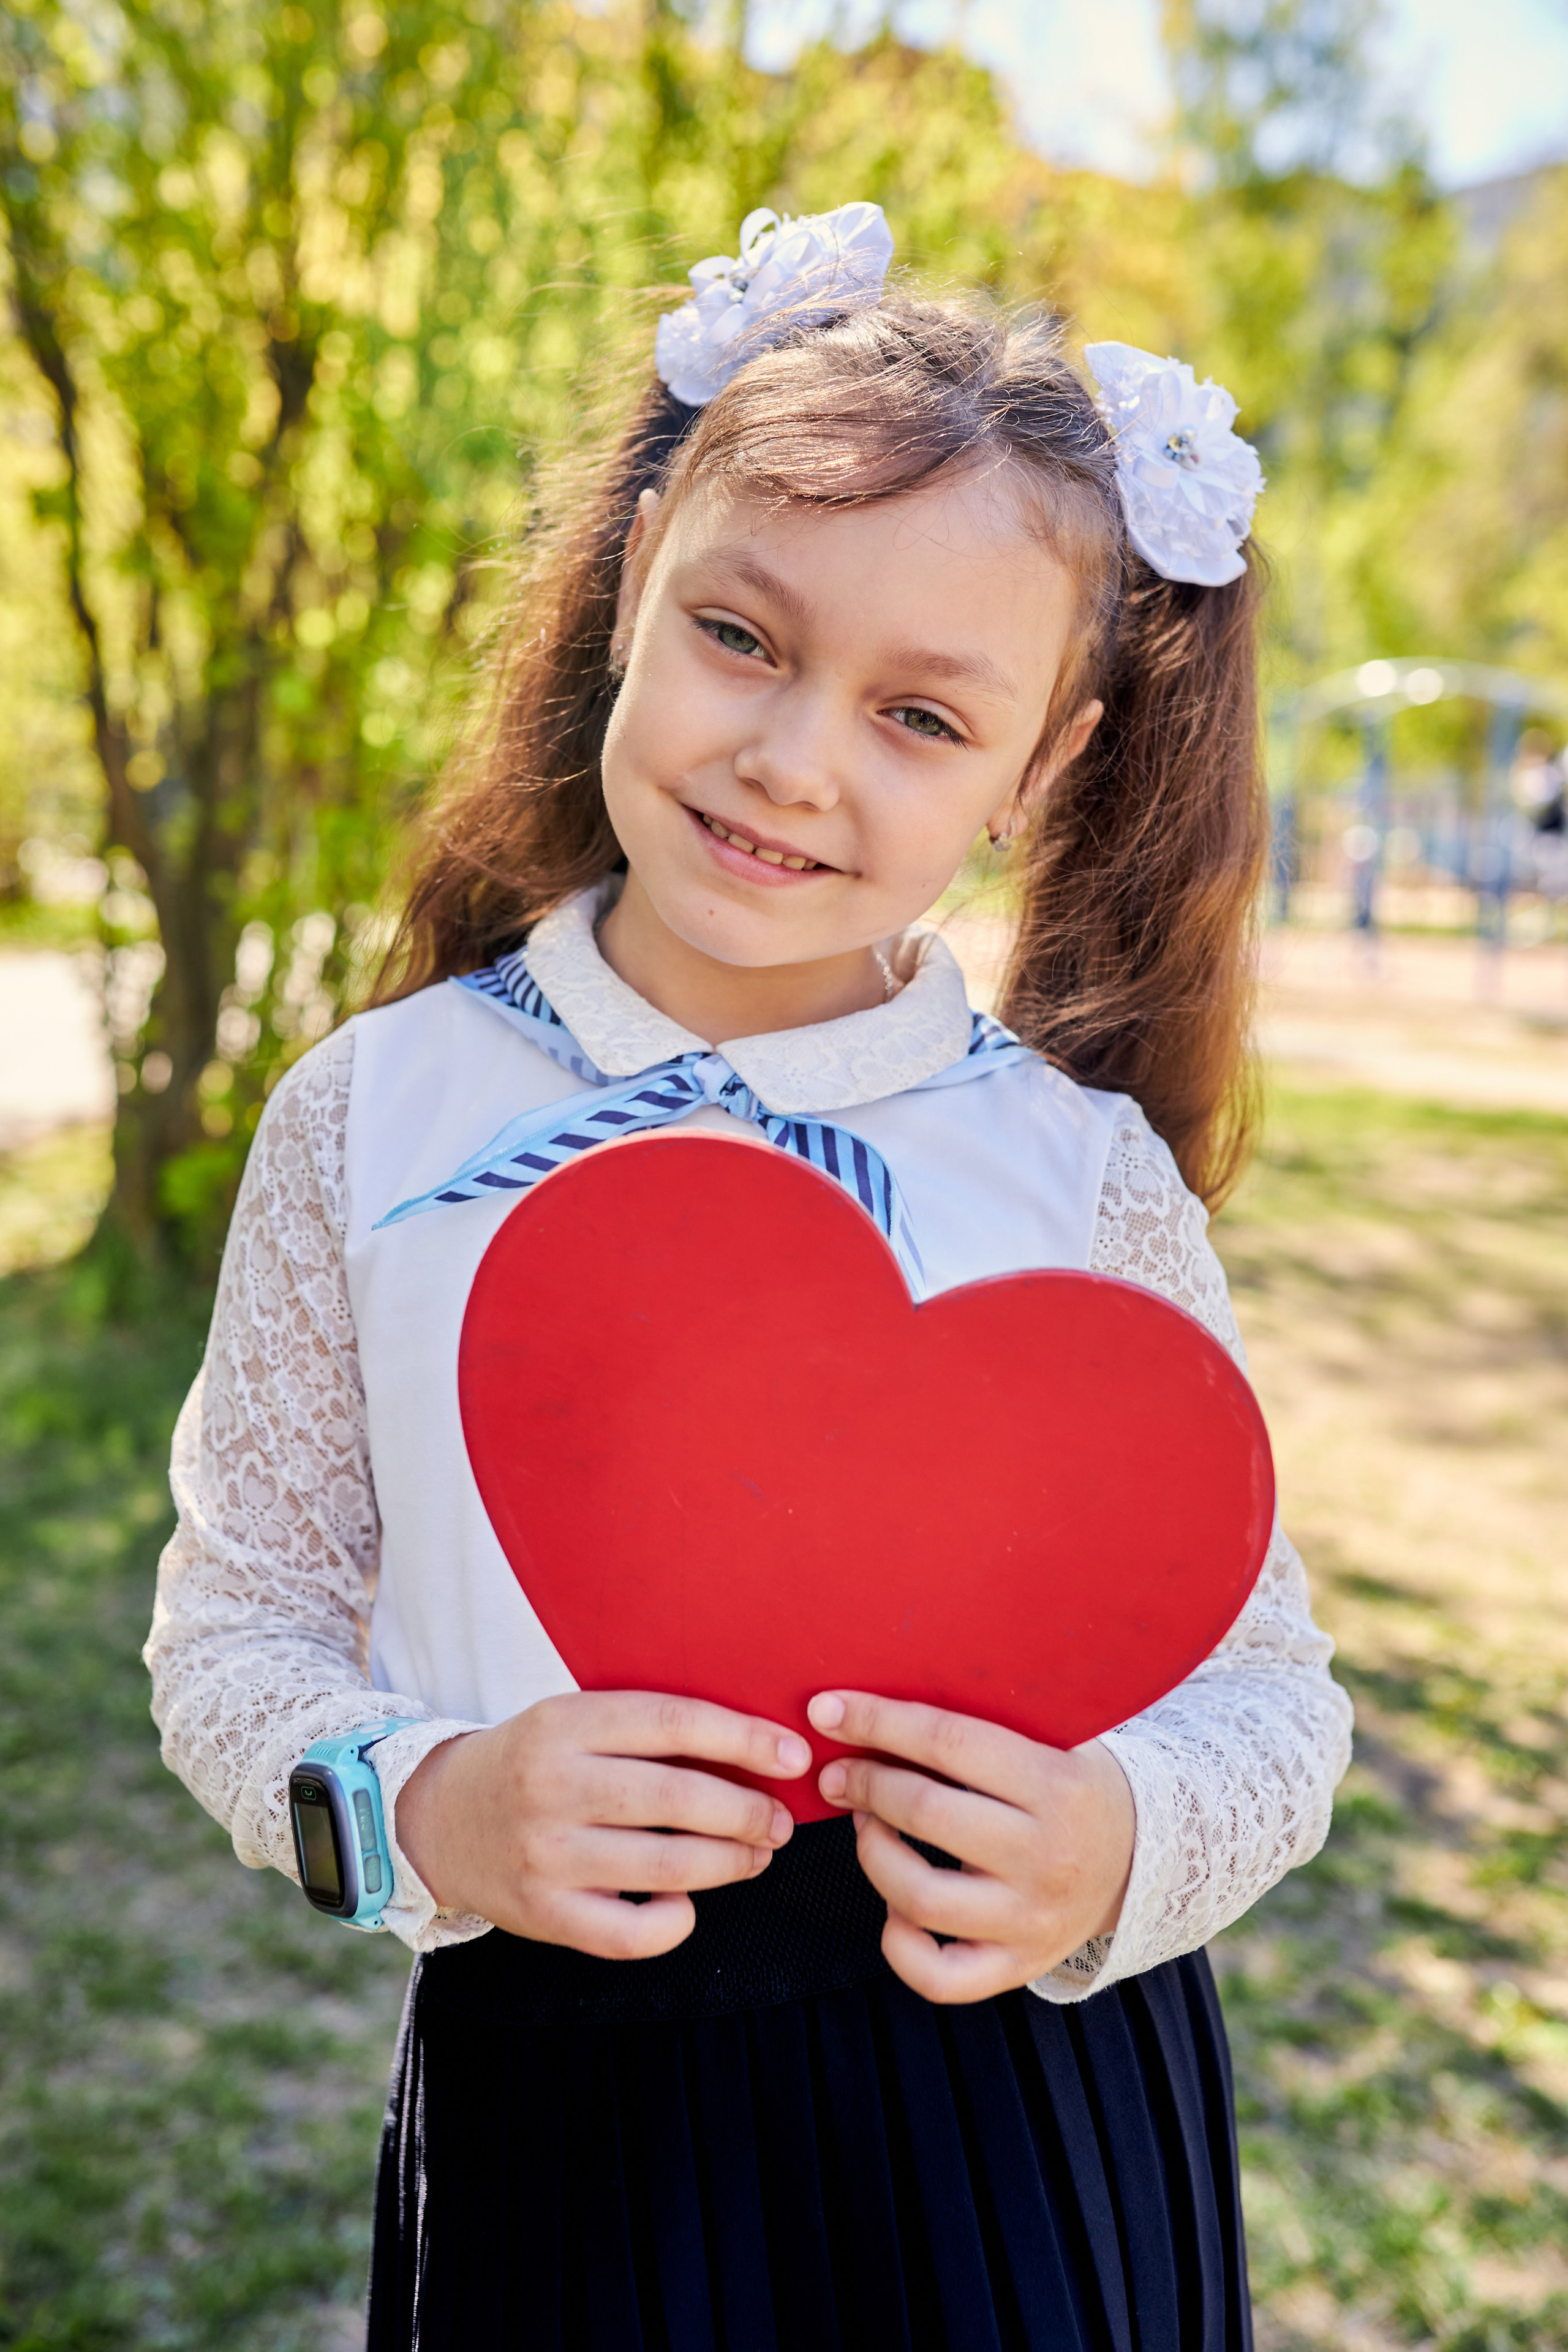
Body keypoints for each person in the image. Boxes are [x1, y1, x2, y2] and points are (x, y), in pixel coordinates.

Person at [145, 202, 1352, 2350]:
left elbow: (1270, 1705)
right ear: (635, 584)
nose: (796, 759)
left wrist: (1121, 1843)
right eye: (744, 638)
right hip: (573, 2124)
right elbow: (235, 1634)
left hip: (1028, 2120)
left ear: (1038, 767)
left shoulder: (1076, 1180)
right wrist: (424, 1802)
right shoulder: (370, 1121)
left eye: (920, 716)